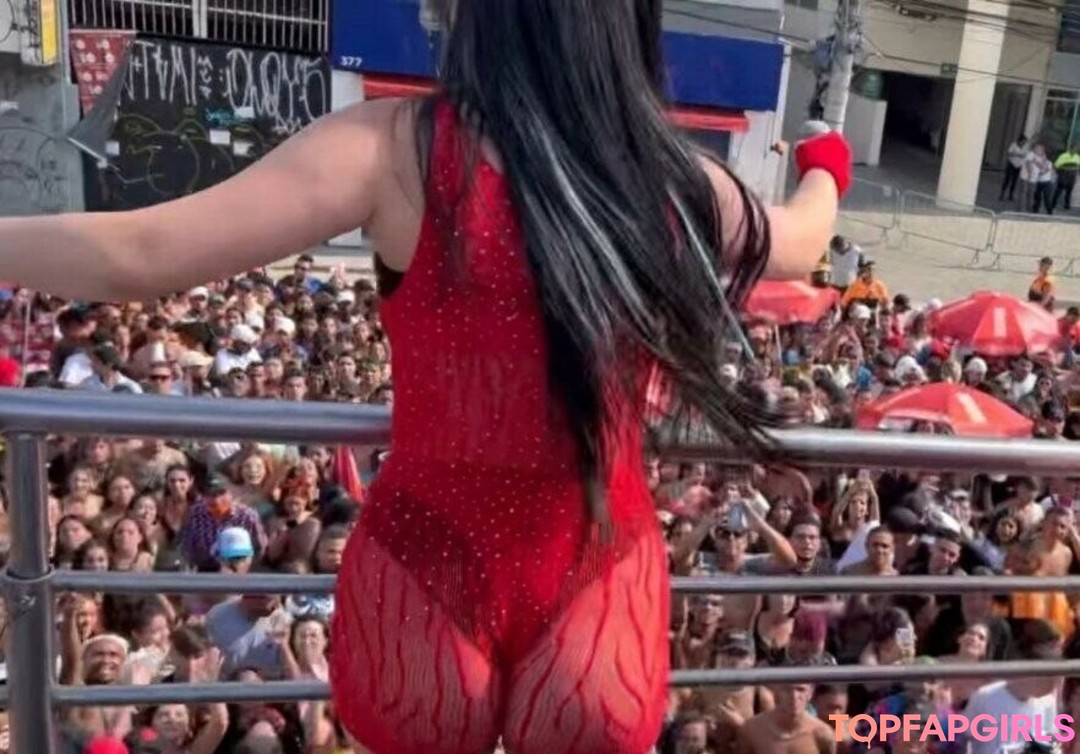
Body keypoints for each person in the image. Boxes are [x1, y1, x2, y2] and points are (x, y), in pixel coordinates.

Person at [0, 1, 848, 751]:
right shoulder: (672, 176)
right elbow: (802, 240)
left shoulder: (395, 148)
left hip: (422, 566)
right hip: (600, 565)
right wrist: (826, 160)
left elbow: (141, 253)